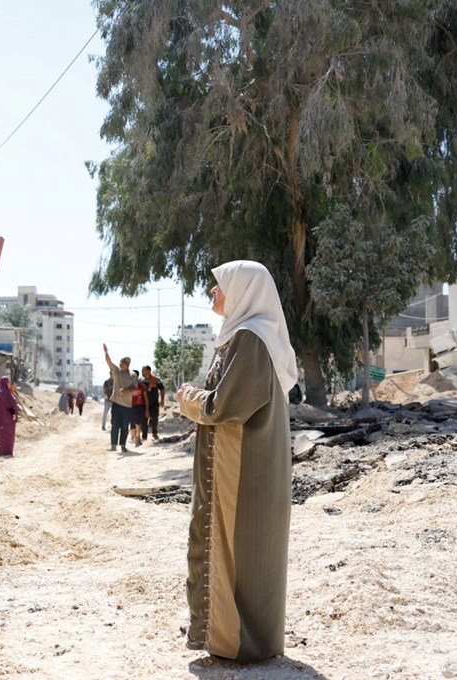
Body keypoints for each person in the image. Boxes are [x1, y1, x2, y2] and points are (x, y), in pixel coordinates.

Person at [174, 260, 297, 662]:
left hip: (243, 468)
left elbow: (224, 406)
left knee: (239, 550)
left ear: (243, 291)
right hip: (245, 463)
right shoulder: (247, 337)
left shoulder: (251, 339)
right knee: (245, 551)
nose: (212, 293)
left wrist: (188, 398)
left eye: (219, 286)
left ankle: (240, 641)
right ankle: (238, 638)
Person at [102, 344, 139, 453]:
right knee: (115, 425)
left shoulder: (132, 375)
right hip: (116, 404)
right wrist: (106, 352)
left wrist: (126, 390)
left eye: (122, 362)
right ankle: (113, 445)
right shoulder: (117, 371)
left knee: (124, 426)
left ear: (127, 364)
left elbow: (135, 389)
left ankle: (123, 445)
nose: (120, 364)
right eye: (119, 362)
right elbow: (109, 362)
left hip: (127, 405)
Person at [0, 376, 19, 457]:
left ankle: (7, 451)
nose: (10, 383)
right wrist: (13, 413)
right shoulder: (3, 393)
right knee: (4, 435)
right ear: (4, 382)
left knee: (8, 435)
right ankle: (3, 452)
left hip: (7, 419)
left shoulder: (5, 392)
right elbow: (7, 404)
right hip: (5, 419)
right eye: (8, 382)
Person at [142, 366, 166, 441]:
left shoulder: (156, 380)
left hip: (154, 402)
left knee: (155, 417)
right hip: (144, 403)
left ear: (149, 371)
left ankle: (154, 433)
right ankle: (144, 435)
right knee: (144, 419)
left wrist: (162, 400)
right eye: (142, 370)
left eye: (144, 370)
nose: (143, 372)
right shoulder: (141, 380)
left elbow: (162, 389)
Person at [129, 370, 147, 448]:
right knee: (133, 424)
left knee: (138, 423)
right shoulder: (128, 386)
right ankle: (136, 439)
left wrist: (147, 409)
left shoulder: (142, 386)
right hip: (131, 407)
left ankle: (138, 438)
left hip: (140, 406)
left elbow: (146, 398)